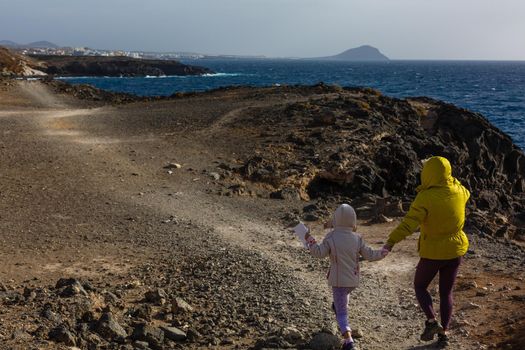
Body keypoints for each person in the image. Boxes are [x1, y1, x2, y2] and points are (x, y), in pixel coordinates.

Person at [383, 156, 470, 348]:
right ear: (447, 173)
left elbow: (409, 224)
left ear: (428, 173)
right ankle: (444, 333)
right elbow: (464, 189)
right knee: (446, 293)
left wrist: (391, 241)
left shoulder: (425, 198)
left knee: (420, 286)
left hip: (433, 252)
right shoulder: (460, 192)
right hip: (456, 251)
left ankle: (431, 322)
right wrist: (450, 180)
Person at [305, 203, 389, 350]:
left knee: (342, 313)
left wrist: (309, 239)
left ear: (336, 219)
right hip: (353, 281)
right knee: (342, 299)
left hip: (338, 281)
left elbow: (318, 253)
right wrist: (383, 252)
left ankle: (349, 342)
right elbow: (370, 255)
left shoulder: (331, 237)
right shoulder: (357, 238)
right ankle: (338, 307)